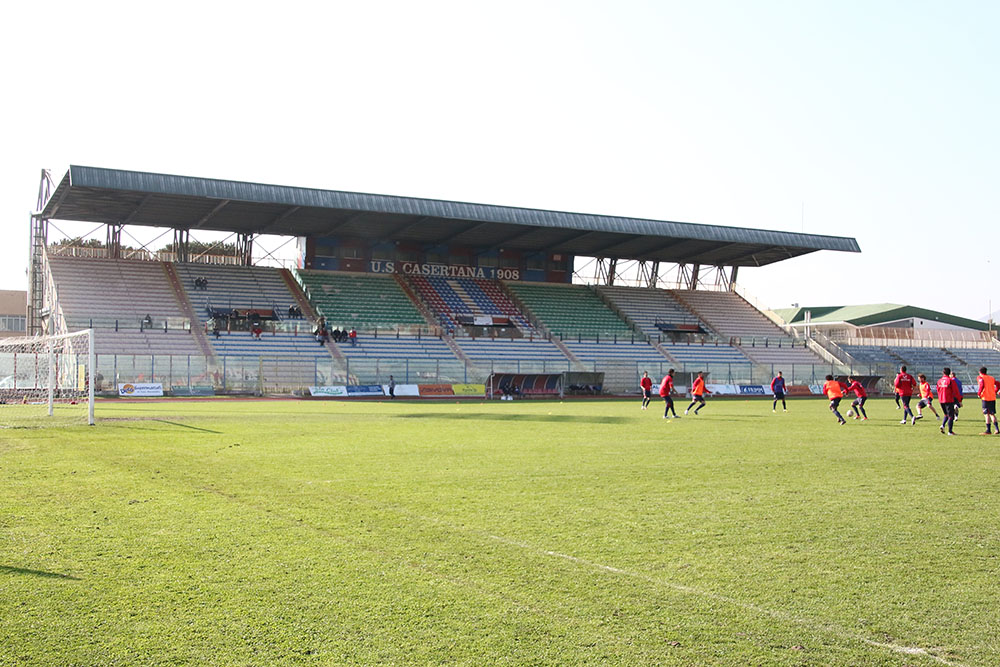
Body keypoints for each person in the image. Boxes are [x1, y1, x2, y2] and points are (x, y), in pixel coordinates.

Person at [936, 367, 962, 435]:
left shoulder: (939, 381)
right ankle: (950, 431)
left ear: (943, 373)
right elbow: (956, 391)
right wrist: (959, 400)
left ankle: (942, 425)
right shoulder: (951, 381)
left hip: (941, 400)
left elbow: (938, 390)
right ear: (949, 373)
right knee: (951, 416)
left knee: (946, 414)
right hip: (948, 400)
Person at [976, 367, 999, 435]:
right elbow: (998, 384)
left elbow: (982, 385)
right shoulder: (991, 378)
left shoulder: (980, 377)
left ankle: (988, 430)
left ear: (980, 372)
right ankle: (997, 429)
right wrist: (995, 391)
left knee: (986, 414)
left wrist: (979, 393)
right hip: (992, 397)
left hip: (985, 398)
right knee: (992, 414)